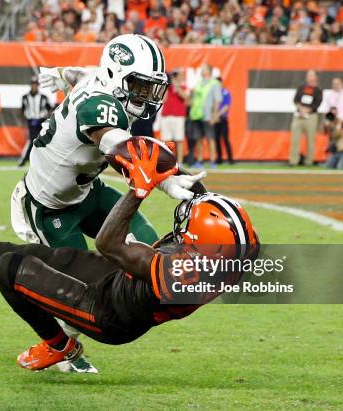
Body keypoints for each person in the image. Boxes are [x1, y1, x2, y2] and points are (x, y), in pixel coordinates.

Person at [0, 140, 258, 371]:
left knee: (9, 268)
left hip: (107, 313)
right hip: (119, 284)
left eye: (190, 229)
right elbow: (207, 206)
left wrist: (139, 190)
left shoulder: (180, 275)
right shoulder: (231, 250)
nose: (182, 224)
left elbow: (109, 244)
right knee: (29, 253)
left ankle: (58, 344)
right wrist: (171, 170)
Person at [12, 35, 206, 373]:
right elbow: (119, 148)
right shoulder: (99, 106)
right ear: (117, 75)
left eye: (150, 87)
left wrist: (60, 74)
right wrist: (167, 179)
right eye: (140, 86)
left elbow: (80, 75)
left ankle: (141, 304)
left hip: (87, 190)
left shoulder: (100, 81)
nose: (146, 95)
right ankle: (58, 346)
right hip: (49, 207)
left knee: (145, 242)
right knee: (75, 288)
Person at [187, 64, 221, 168]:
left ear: (209, 71)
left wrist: (214, 115)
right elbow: (193, 98)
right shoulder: (199, 83)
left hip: (208, 115)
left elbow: (217, 100)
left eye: (204, 69)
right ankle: (200, 160)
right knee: (198, 139)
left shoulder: (214, 83)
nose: (201, 70)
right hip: (196, 115)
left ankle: (212, 161)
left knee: (210, 138)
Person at [289, 70, 322, 166]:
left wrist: (307, 110)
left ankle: (309, 161)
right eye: (308, 75)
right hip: (299, 116)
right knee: (295, 139)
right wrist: (301, 109)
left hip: (311, 116)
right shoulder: (301, 88)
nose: (309, 77)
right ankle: (293, 160)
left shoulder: (318, 90)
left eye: (311, 75)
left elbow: (317, 103)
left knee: (310, 140)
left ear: (316, 77)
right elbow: (296, 100)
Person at [18, 77, 51, 167]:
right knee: (30, 140)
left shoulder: (43, 97)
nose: (34, 86)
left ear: (38, 85)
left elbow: (48, 109)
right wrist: (23, 122)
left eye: (36, 84)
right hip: (31, 121)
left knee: (42, 141)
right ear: (30, 85)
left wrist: (47, 120)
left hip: (41, 121)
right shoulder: (25, 97)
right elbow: (22, 110)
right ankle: (23, 160)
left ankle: (43, 161)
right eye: (33, 84)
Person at [160, 69, 189, 163]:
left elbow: (185, 97)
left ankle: (179, 161)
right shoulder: (167, 87)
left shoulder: (183, 86)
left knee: (179, 139)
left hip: (178, 116)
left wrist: (177, 86)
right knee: (166, 140)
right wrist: (167, 86)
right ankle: (168, 161)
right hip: (166, 116)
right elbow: (163, 99)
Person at [215, 76, 233, 165]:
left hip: (222, 119)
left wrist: (217, 115)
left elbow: (226, 107)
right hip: (216, 119)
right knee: (216, 139)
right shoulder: (213, 94)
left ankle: (230, 159)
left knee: (225, 138)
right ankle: (219, 158)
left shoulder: (225, 93)